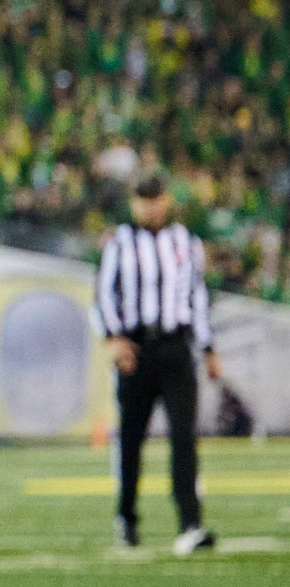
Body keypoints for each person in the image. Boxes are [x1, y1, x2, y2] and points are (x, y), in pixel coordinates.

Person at [96, 174, 222, 555]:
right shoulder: (120, 242)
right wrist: (115, 339)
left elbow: (196, 297)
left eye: (155, 198)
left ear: (166, 200)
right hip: (136, 351)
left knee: (184, 437)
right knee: (131, 439)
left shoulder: (185, 242)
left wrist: (208, 347)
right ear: (134, 203)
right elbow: (103, 294)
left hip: (175, 349)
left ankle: (190, 523)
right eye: (143, 199)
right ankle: (126, 518)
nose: (149, 206)